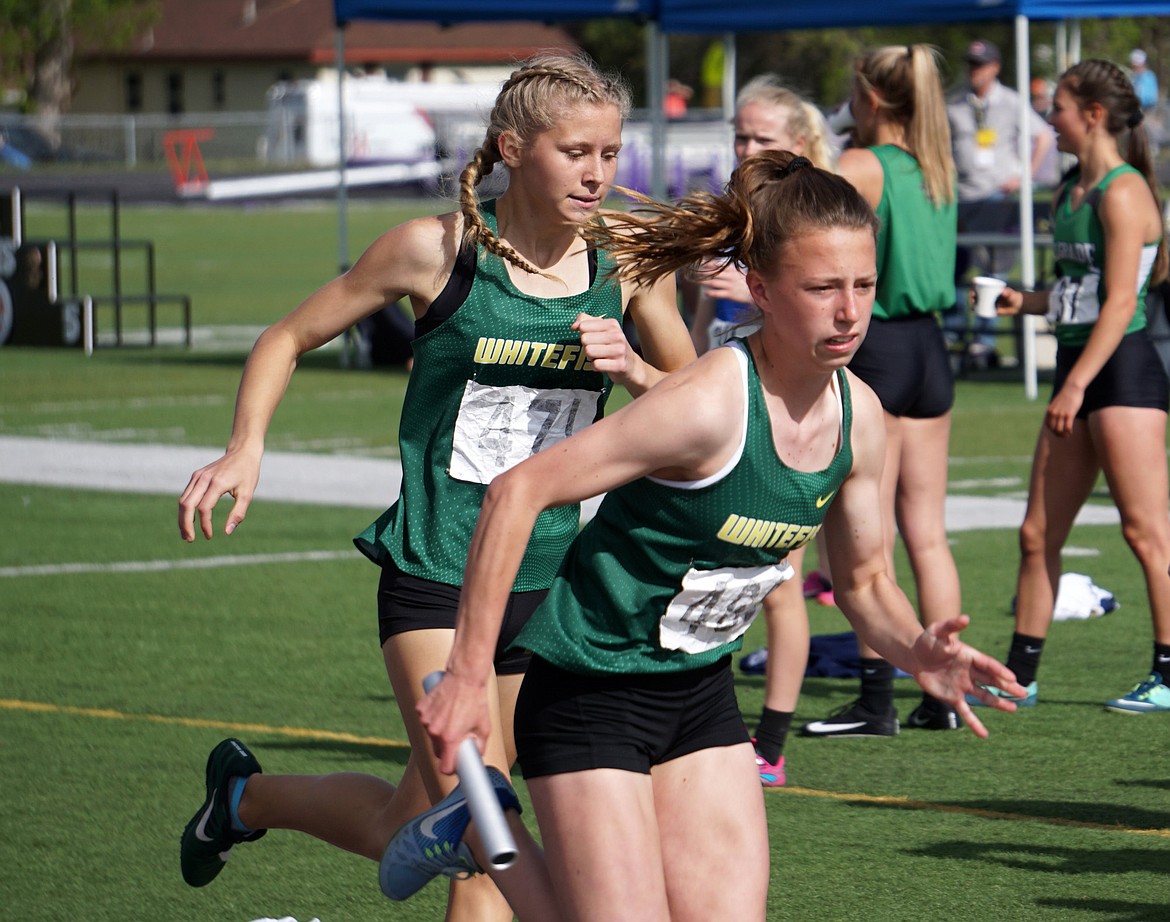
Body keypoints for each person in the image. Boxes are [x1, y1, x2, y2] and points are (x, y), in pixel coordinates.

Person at [384, 150, 1025, 922]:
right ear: (760, 289)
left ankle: (476, 824)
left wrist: (916, 647)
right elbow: (518, 492)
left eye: (862, 286)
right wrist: (465, 673)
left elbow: (863, 584)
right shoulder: (709, 402)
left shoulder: (864, 419)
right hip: (593, 689)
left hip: (699, 695)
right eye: (823, 289)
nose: (850, 313)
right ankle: (483, 825)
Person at [174, 52, 695, 922]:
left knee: (407, 824)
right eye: (576, 152)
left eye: (609, 153)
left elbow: (694, 408)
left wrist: (635, 368)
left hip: (547, 584)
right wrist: (244, 448)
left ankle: (243, 801)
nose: (598, 172)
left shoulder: (630, 264)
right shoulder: (435, 249)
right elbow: (283, 337)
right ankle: (250, 802)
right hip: (434, 573)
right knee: (483, 819)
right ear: (513, 149)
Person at [974, 59, 1170, 715]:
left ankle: (1167, 671)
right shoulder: (1070, 192)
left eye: (1056, 107)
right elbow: (1075, 298)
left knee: (1146, 534)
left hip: (1120, 374)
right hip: (1078, 371)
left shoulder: (1123, 190)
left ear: (1091, 114)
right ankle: (1020, 674)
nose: (1047, 120)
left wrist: (1075, 386)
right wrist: (1019, 301)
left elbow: (1120, 304)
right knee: (1038, 534)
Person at [800, 44, 964, 738]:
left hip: (884, 348)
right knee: (928, 532)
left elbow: (802, 218)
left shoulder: (865, 166)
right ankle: (944, 694)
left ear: (869, 98)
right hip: (933, 348)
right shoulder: (937, 167)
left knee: (868, 537)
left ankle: (875, 701)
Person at [684, 73, 837, 786]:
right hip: (720, 410)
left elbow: (821, 312)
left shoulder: (812, 222)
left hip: (782, 416)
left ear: (799, 148)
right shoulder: (731, 218)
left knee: (779, 580)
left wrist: (749, 293)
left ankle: (770, 744)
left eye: (760, 138)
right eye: (738, 136)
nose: (744, 148)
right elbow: (699, 329)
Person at [945, 38, 1055, 366]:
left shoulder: (1010, 102)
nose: (974, 71)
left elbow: (1043, 136)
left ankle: (984, 340)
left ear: (994, 67)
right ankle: (952, 335)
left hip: (997, 197)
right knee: (954, 269)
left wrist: (1024, 176)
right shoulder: (954, 103)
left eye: (980, 65)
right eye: (970, 64)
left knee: (992, 271)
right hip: (961, 195)